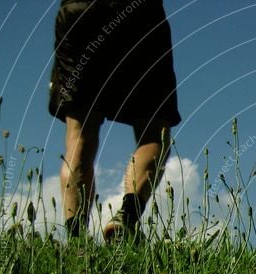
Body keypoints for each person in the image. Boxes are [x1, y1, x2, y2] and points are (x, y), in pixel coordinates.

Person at [48, 0, 181, 241]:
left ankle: (77, 242)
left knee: (79, 136)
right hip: (139, 15)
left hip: (78, 12)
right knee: (153, 133)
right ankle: (127, 217)